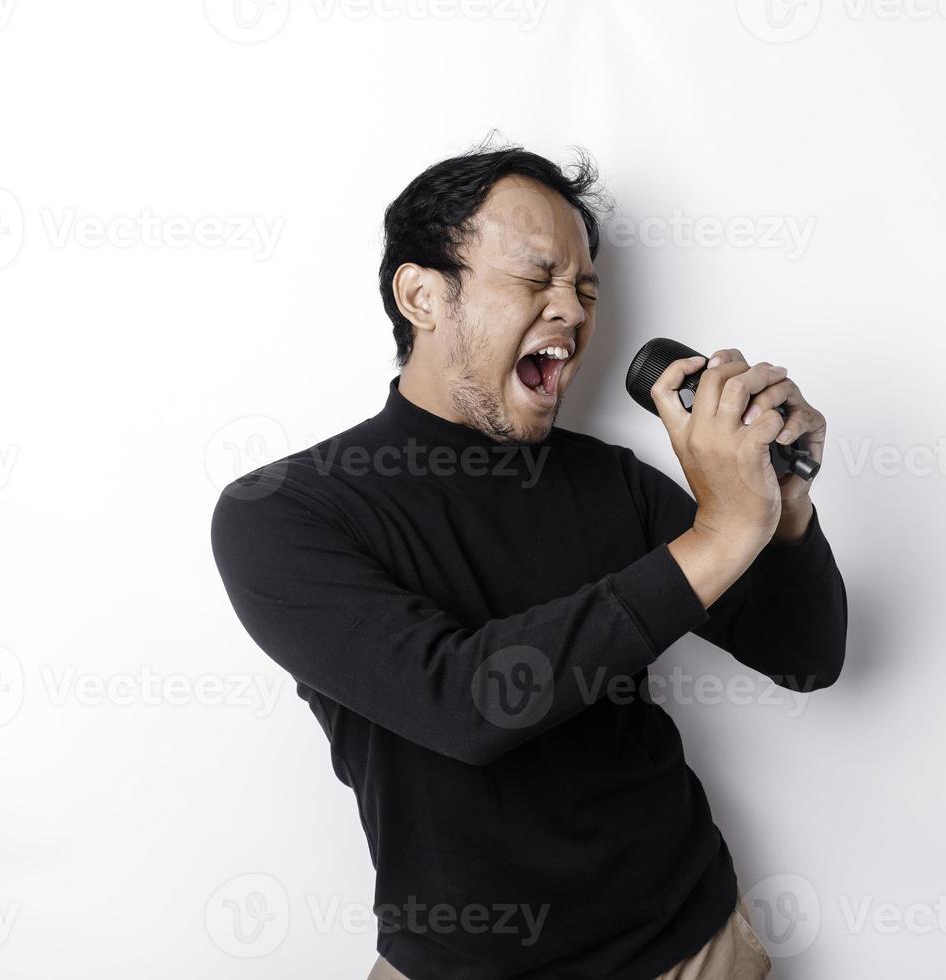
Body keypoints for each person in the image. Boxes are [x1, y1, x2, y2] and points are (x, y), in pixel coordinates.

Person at [210, 141, 848, 980]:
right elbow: (466, 707)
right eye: (536, 278)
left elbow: (806, 660)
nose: (573, 312)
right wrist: (723, 533)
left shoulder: (611, 481)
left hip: (697, 946)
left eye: (585, 289)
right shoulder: (287, 513)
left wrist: (784, 513)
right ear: (422, 295)